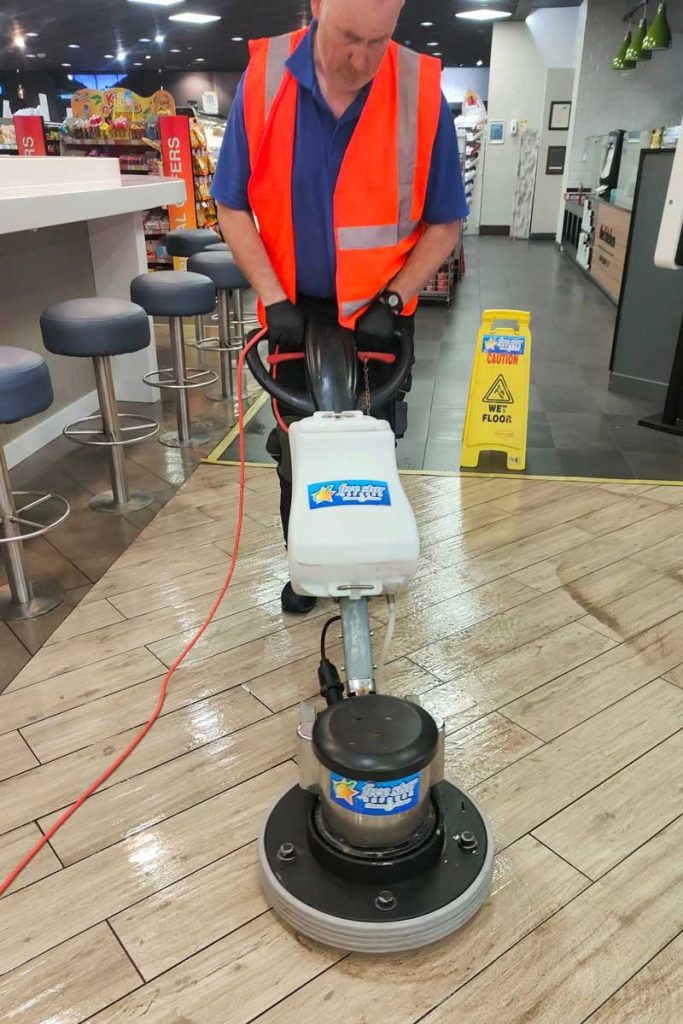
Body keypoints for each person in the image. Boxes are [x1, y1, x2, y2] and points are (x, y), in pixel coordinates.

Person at [212, 0, 468, 614]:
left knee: (371, 447)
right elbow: (231, 205)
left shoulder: (417, 89)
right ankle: (307, 568)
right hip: (292, 312)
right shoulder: (266, 77)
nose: (360, 60)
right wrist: (274, 298)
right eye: (348, 38)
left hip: (380, 312)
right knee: (295, 450)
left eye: (377, 42)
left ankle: (368, 562)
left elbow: (445, 222)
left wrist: (397, 297)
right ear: (318, 7)